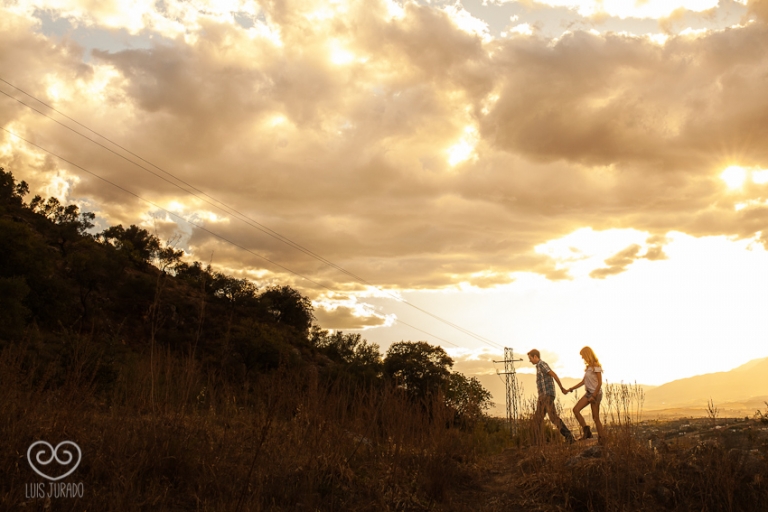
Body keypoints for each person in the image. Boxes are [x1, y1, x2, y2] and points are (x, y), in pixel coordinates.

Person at [527, 349, 575, 445]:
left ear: (535, 356)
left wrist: (561, 387)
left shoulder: (542, 364)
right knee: (540, 419)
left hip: (546, 396)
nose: (530, 360)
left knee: (548, 418)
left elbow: (553, 374)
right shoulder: (539, 366)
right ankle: (537, 441)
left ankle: (569, 437)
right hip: (544, 396)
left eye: (530, 358)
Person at [566, 346, 605, 443]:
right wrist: (571, 389)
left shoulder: (596, 366)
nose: (582, 358)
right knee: (576, 410)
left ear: (587, 354)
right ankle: (587, 432)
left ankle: (602, 439)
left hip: (595, 394)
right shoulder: (588, 368)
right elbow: (583, 382)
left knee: (595, 418)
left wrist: (594, 396)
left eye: (583, 355)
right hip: (588, 393)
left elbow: (600, 383)